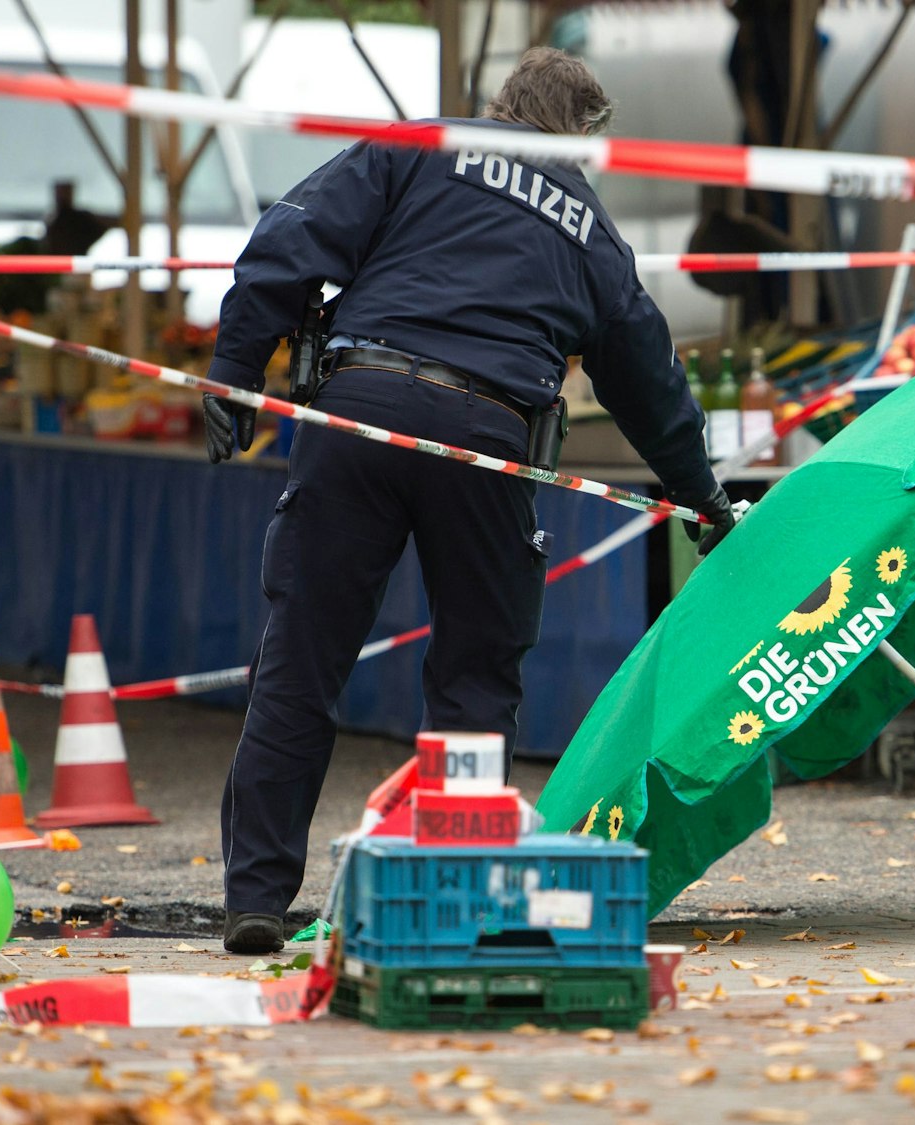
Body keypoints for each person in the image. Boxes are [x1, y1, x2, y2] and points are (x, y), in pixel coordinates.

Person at [202, 47, 740, 954]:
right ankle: (454, 891)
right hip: (489, 439)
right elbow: (650, 379)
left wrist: (233, 369)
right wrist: (703, 498)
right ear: (582, 139)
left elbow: (289, 239)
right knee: (473, 677)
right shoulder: (592, 231)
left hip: (359, 416)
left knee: (302, 656)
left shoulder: (415, 145)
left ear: (498, 104)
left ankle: (255, 898)